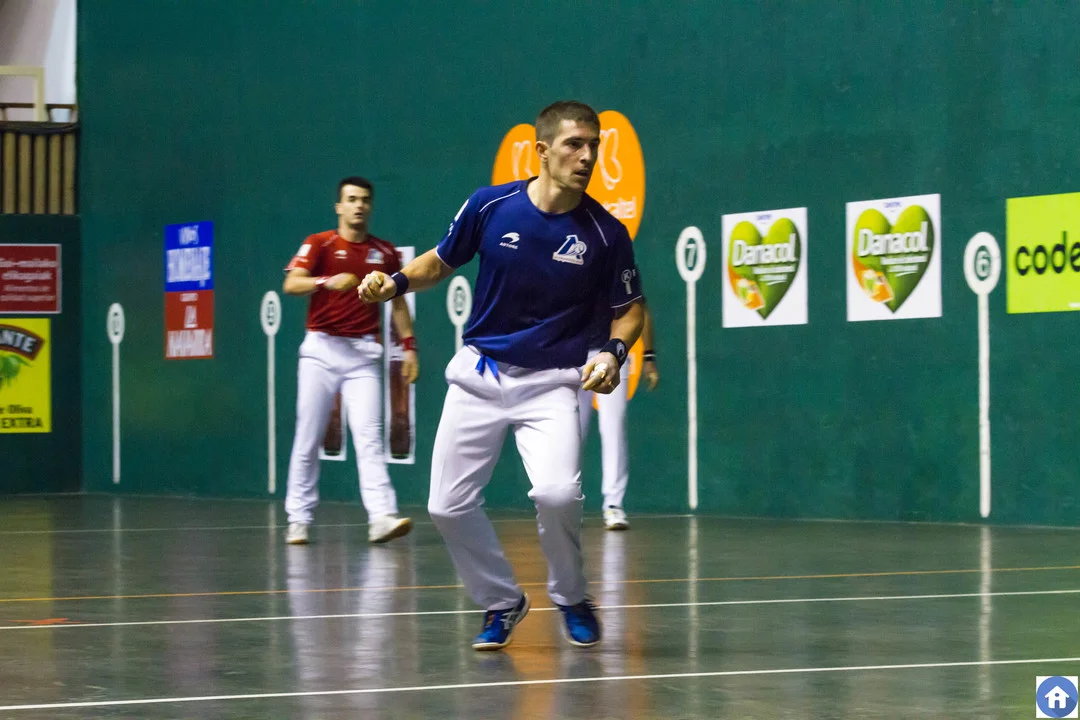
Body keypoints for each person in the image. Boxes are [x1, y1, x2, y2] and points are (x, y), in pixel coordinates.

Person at [359, 101, 644, 651]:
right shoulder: (490, 206)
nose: (587, 156)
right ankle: (501, 600)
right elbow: (439, 261)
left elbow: (630, 310)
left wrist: (613, 353)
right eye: (574, 144)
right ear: (542, 151)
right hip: (480, 374)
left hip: (553, 381)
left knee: (558, 494)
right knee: (446, 505)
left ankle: (571, 596)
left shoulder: (606, 233)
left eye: (594, 146)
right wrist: (394, 283)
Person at [282, 176, 418, 545]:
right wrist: (325, 282)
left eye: (364, 200)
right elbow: (291, 283)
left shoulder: (385, 253)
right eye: (352, 199)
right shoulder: (320, 243)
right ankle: (298, 518)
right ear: (339, 207)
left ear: (370, 206)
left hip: (363, 356)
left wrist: (409, 347)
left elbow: (398, 303)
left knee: (370, 438)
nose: (359, 205)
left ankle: (381, 517)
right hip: (321, 352)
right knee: (308, 436)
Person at [578, 303, 659, 530]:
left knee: (613, 429)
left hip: (611, 354)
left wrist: (649, 357)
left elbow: (639, 308)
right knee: (571, 432)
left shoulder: (618, 277)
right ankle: (569, 505)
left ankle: (613, 504)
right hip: (572, 354)